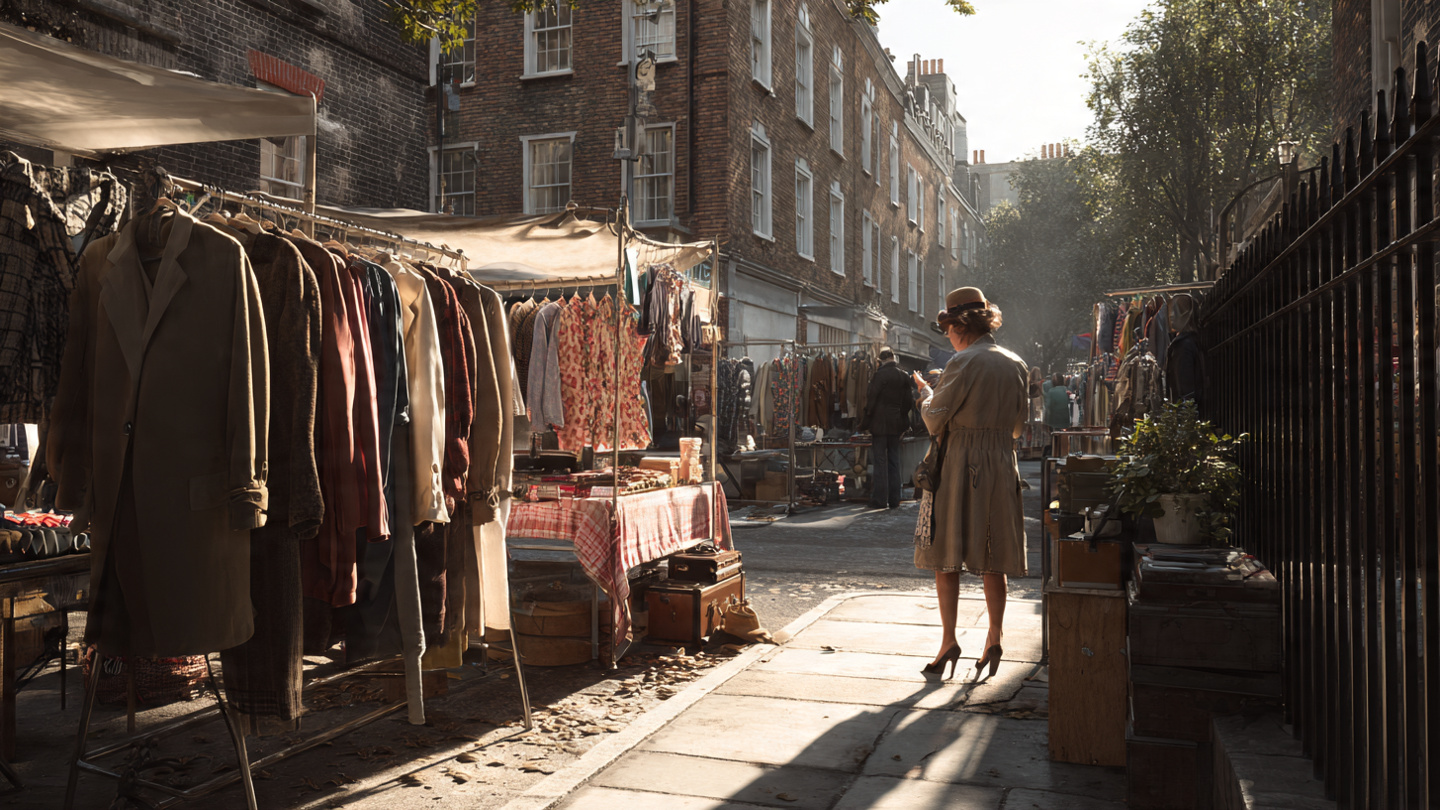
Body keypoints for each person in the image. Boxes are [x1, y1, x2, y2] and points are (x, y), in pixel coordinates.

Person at [911, 287, 1029, 682]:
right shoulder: (1016, 363)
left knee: (947, 554)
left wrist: (927, 393)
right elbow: (1017, 427)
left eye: (948, 328)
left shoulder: (962, 363)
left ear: (960, 326)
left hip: (961, 463)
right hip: (1000, 463)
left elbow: (933, 419)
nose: (947, 336)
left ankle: (948, 642)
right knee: (994, 555)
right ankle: (994, 637)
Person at [860, 346, 917, 509]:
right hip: (896, 423)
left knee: (880, 462)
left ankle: (879, 499)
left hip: (879, 423)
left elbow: (871, 401)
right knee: (894, 461)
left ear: (881, 361)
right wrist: (902, 421)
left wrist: (865, 422)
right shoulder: (904, 376)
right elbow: (908, 403)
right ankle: (894, 499)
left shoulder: (879, 375)